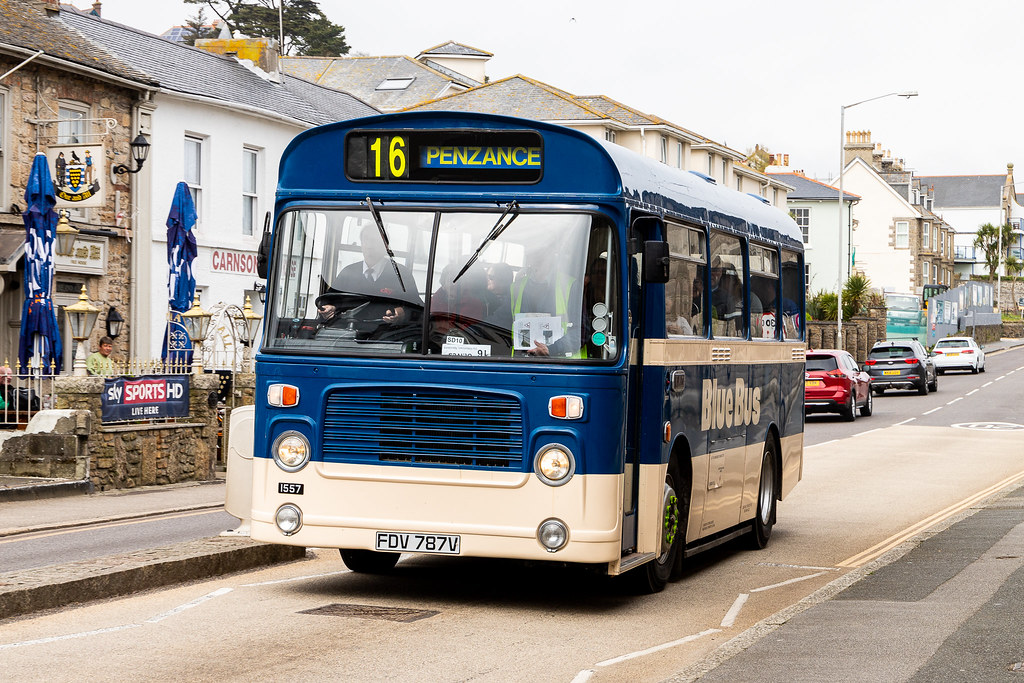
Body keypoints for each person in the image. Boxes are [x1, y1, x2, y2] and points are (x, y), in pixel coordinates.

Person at [329, 224, 420, 332]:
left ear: (385, 245)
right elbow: (328, 300)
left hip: (387, 338)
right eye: (365, 240)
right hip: (348, 336)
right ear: (361, 244)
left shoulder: (401, 274)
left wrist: (402, 313)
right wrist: (329, 308)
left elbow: (418, 309)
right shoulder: (348, 272)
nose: (369, 245)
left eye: (374, 240)